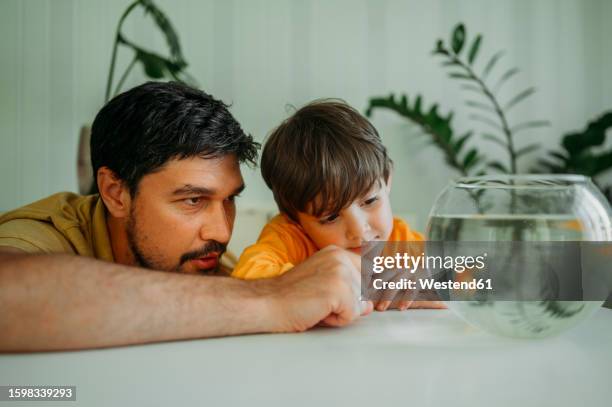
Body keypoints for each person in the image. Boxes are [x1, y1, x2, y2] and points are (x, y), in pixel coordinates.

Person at [0, 83, 372, 352]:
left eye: (229, 201)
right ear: (115, 192)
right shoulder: (47, 234)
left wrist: (408, 273)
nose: (223, 230)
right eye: (193, 200)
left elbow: (408, 271)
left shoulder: (210, 261)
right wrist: (271, 298)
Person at [231, 100, 444, 311]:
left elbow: (471, 278)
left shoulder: (402, 242)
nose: (359, 230)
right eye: (331, 217)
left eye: (369, 201)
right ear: (295, 219)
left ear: (387, 181)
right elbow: (246, 279)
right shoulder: (290, 237)